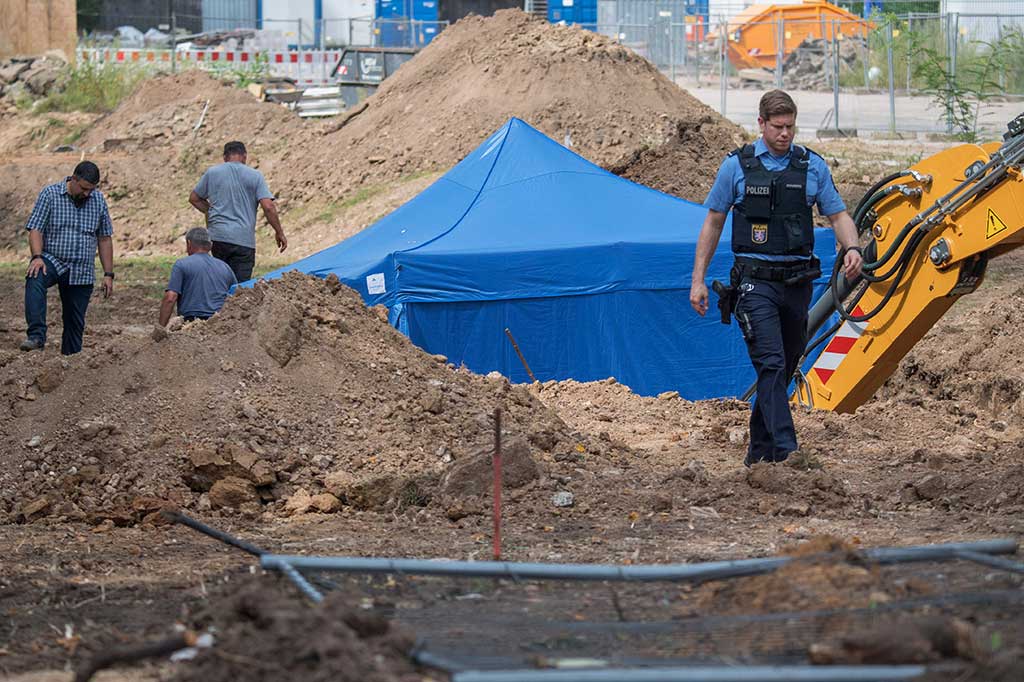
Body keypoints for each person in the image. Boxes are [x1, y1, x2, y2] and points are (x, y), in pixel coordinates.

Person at [690, 89, 863, 467]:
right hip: (754, 284)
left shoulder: (812, 167)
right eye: (778, 127)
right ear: (762, 124)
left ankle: (758, 454)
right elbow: (714, 221)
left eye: (790, 127)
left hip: (797, 284)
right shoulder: (735, 167)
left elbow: (839, 215)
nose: (785, 134)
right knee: (769, 363)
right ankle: (787, 452)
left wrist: (851, 248)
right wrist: (698, 279)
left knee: (783, 367)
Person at [21, 161, 114, 355]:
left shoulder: (98, 201)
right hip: (53, 260)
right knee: (35, 277)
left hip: (81, 269)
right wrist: (37, 257)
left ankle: (70, 362)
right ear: (73, 179)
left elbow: (104, 238)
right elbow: (35, 228)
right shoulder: (50, 194)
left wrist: (108, 273)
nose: (87, 193)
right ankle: (36, 336)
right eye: (84, 188)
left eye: (92, 189)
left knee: (74, 322)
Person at [188, 140, 287, 283]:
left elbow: (194, 198)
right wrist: (279, 232)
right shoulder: (255, 175)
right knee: (240, 289)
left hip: (218, 238)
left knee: (220, 284)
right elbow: (268, 206)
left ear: (224, 157)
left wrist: (211, 211)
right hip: (243, 240)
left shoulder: (212, 173)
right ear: (245, 156)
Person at [159, 228, 237, 326]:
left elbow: (170, 298)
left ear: (189, 243)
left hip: (191, 323)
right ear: (211, 245)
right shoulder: (225, 267)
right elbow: (236, 296)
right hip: (219, 324)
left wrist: (160, 329)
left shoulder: (182, 264)